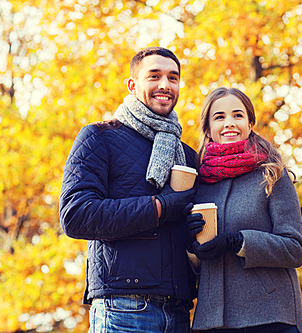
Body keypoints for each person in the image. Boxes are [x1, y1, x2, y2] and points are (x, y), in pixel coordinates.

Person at [59, 47, 198, 333]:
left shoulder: (187, 154)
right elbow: (75, 215)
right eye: (154, 76)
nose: (165, 85)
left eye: (173, 78)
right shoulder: (100, 137)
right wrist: (160, 207)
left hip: (179, 310)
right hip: (122, 309)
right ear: (133, 85)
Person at [185, 87, 302, 333]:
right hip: (212, 319)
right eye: (219, 117)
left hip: (271, 315)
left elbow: (295, 249)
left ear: (250, 123)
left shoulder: (273, 174)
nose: (229, 123)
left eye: (238, 115)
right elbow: (194, 262)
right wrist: (190, 246)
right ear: (208, 128)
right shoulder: (197, 183)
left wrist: (239, 242)